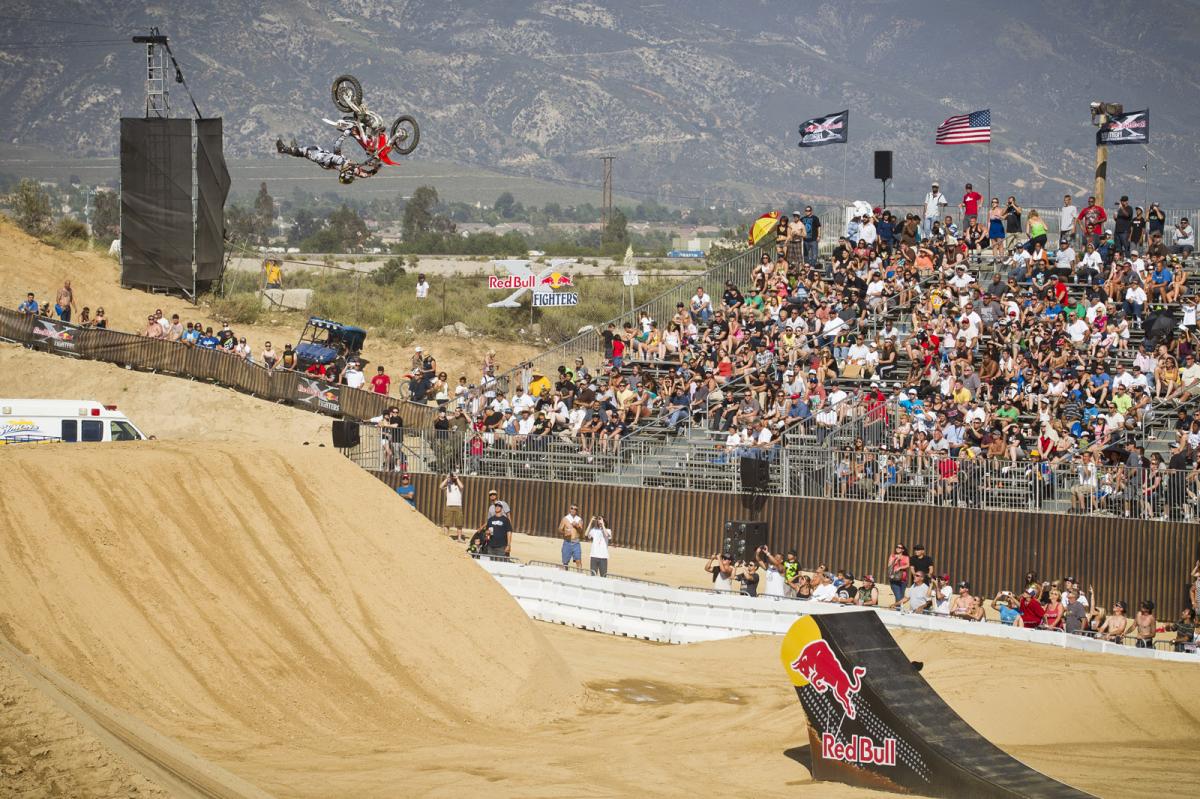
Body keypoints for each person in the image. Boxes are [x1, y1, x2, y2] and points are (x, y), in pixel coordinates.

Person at [276, 138, 379, 183]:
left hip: (323, 159)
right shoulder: (353, 171)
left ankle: (284, 149)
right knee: (312, 148)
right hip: (327, 156)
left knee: (307, 151)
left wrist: (363, 163)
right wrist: (376, 167)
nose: (352, 175)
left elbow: (338, 158)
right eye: (352, 176)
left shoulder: (341, 166)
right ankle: (294, 150)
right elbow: (366, 175)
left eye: (350, 176)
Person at [439, 472, 464, 541]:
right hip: (449, 506)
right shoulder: (448, 485)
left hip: (458, 506)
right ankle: (446, 537)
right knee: (447, 522)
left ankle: (459, 538)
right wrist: (447, 478)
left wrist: (457, 478)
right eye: (452, 477)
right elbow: (440, 487)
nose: (452, 478)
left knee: (459, 523)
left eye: (453, 477)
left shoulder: (458, 485)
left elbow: (462, 486)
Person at [558, 503, 584, 570]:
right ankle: (565, 577)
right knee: (565, 563)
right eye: (572, 508)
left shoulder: (579, 519)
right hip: (567, 542)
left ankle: (580, 576)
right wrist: (564, 533)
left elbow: (581, 532)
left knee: (578, 561)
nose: (573, 510)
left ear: (577, 511)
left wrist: (577, 526)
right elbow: (560, 529)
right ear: (569, 509)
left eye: (575, 509)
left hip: (576, 543)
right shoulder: (565, 519)